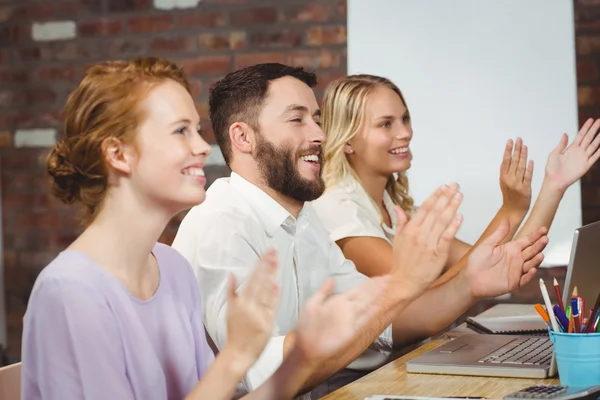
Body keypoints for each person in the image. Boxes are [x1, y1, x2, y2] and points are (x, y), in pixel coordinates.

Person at [20, 57, 391, 400]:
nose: (201, 147)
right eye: (180, 131)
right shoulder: (70, 292)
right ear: (118, 154)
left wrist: (303, 350)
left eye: (197, 130)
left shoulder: (172, 270)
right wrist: (237, 357)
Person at [171, 63, 549, 398]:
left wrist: (471, 284)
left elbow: (383, 322)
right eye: (297, 119)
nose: (319, 134)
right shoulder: (219, 224)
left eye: (316, 119)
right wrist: (401, 287)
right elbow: (261, 373)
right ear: (243, 138)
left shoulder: (305, 222)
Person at [312, 74, 600, 284]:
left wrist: (554, 185)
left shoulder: (396, 209)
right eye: (386, 124)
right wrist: (510, 210)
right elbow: (421, 299)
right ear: (347, 141)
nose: (405, 133)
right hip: (368, 371)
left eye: (405, 118)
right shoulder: (339, 209)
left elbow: (499, 263)